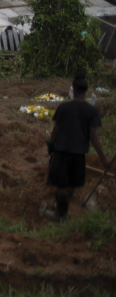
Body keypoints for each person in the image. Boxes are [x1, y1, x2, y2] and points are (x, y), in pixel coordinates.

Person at [45, 75, 110, 220]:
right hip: (79, 153)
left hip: (62, 151)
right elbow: (93, 136)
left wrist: (51, 144)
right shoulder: (92, 111)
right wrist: (104, 158)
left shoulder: (63, 107)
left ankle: (60, 214)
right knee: (71, 184)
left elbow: (56, 129)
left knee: (61, 184)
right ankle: (62, 211)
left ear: (73, 90)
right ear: (85, 91)